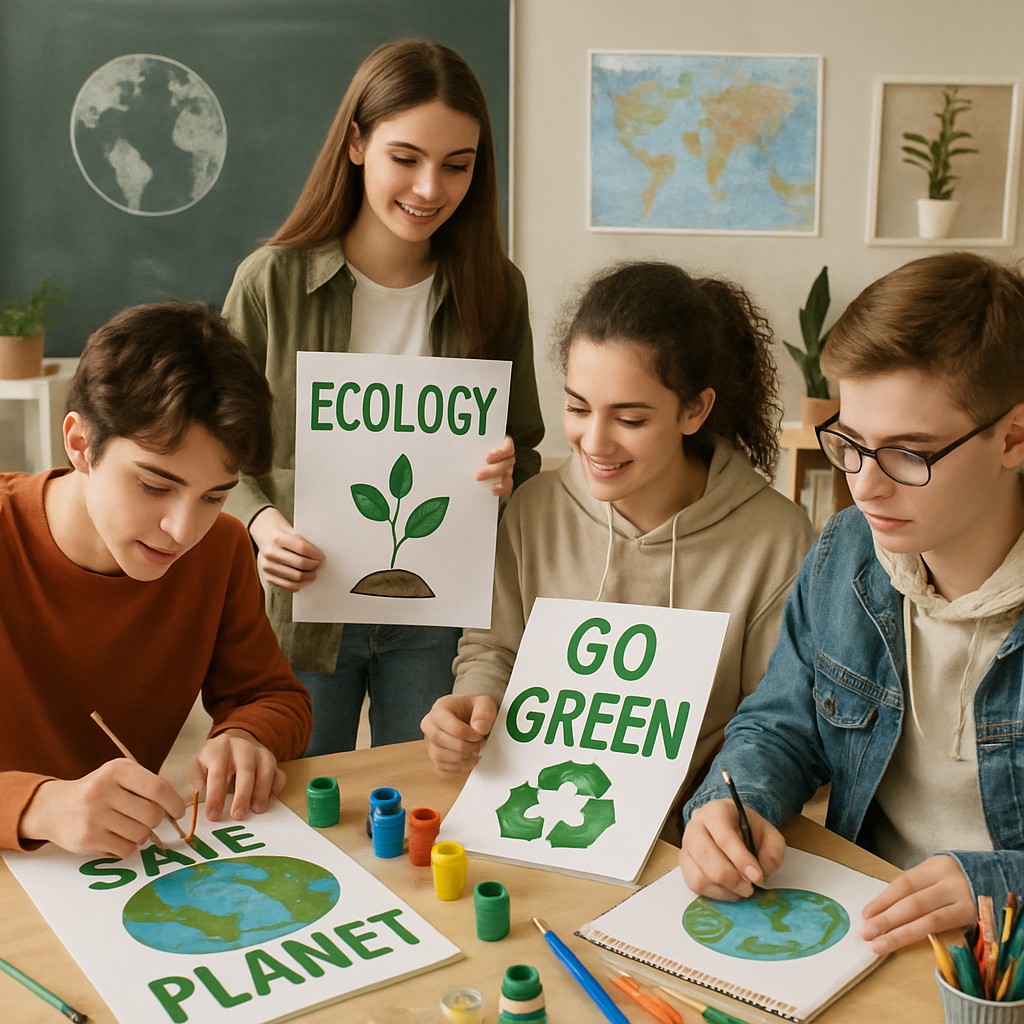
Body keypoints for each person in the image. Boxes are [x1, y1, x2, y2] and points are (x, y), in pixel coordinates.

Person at [680, 251, 1024, 954]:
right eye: (851, 444)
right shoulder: (848, 552)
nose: (864, 487)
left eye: (908, 453)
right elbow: (782, 722)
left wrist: (1000, 885)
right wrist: (729, 800)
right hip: (863, 930)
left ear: (1013, 437)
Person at [222, 39, 544, 755]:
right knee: (307, 807)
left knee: (428, 802)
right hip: (304, 605)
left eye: (457, 166)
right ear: (358, 143)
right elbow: (213, 449)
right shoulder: (270, 282)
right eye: (407, 158)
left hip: (436, 611)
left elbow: (527, 449)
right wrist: (263, 525)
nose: (431, 188)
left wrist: (507, 473)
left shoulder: (497, 289)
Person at [420, 260, 815, 803]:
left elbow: (774, 720)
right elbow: (493, 649)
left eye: (630, 420)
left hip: (692, 831)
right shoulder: (533, 510)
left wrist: (718, 805)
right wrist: (472, 701)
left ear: (695, 409)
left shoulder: (776, 538)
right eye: (577, 408)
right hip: (536, 807)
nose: (595, 443)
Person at [0, 301, 312, 857]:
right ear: (80, 445)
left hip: (106, 878)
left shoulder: (220, 551)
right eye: (154, 486)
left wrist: (244, 735)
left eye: (214, 496)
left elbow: (272, 696)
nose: (180, 530)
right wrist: (39, 805)